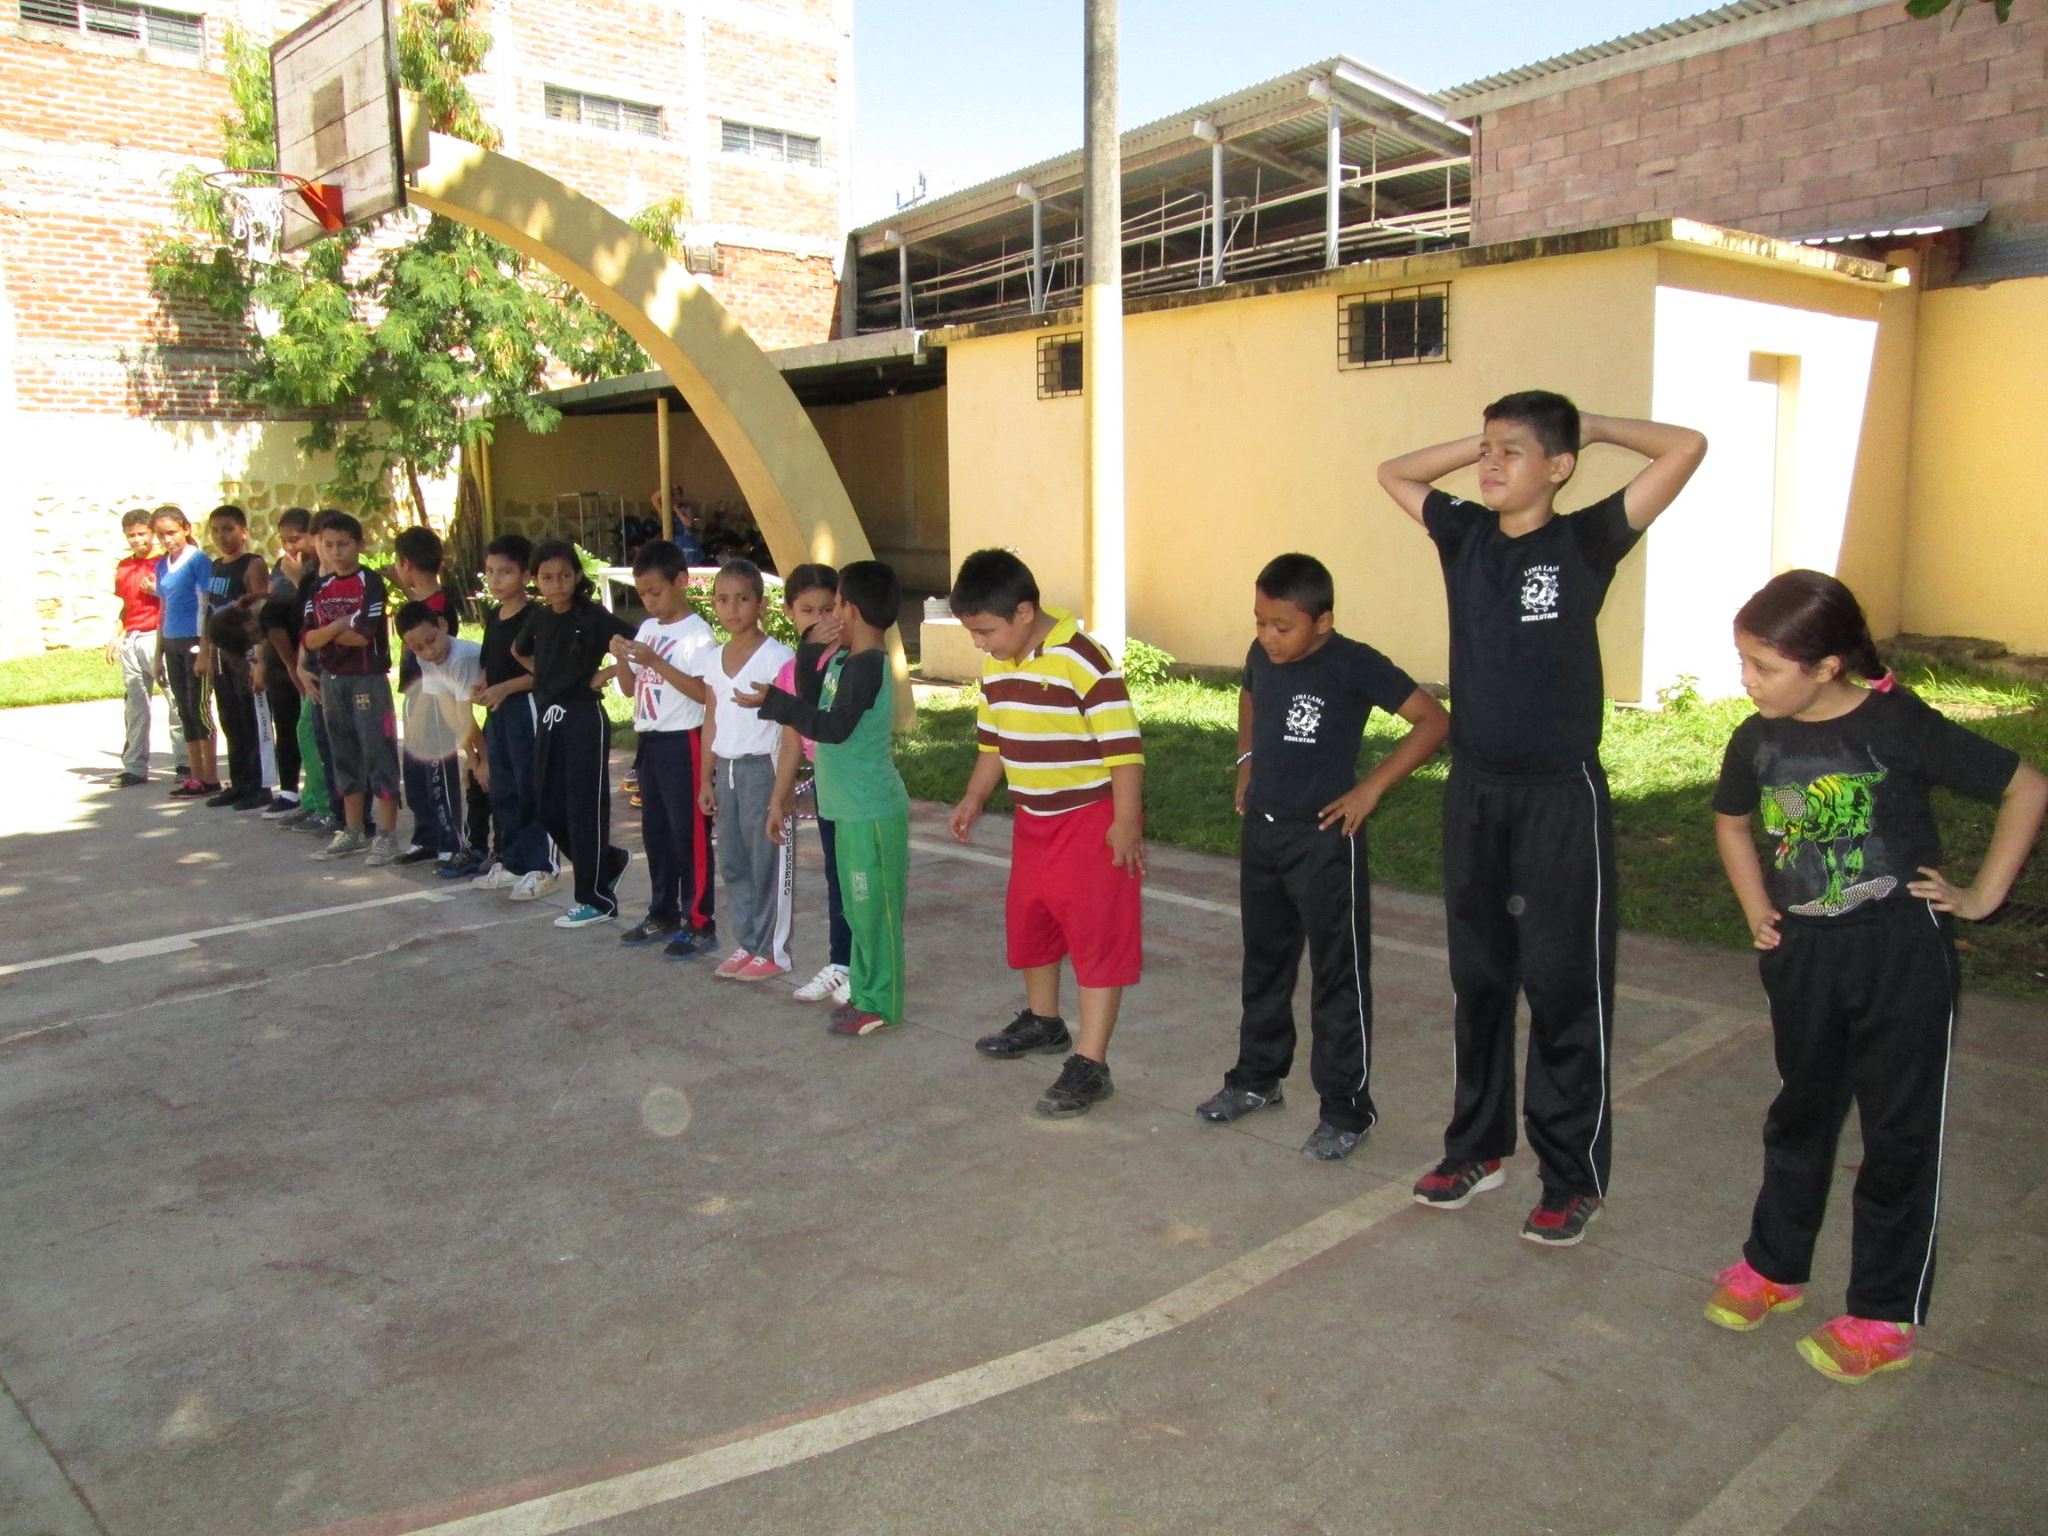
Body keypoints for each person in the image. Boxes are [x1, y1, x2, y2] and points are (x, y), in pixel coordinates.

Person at [1377, 392, 1707, 1245]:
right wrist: (1483, 439)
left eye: (1512, 454)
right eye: (1487, 452)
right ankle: (1478, 1148)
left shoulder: (1586, 538)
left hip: (1561, 797)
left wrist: (1590, 428)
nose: (1489, 466)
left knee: (1564, 987)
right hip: (1477, 794)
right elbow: (1394, 471)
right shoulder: (1463, 534)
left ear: (1559, 469)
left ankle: (1572, 1175)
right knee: (1480, 980)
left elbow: (1686, 447)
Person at [1707, 570, 2045, 1383]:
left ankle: (1885, 1312)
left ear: (1825, 667)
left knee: (1897, 1132)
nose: (1747, 680)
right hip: (1804, 958)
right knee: (1800, 1113)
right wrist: (1758, 908)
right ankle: (1776, 1266)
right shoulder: (1758, 737)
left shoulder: (1897, 725)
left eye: (1763, 666)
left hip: (1899, 955)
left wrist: (1980, 897)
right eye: (1744, 661)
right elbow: (1731, 821)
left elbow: (2025, 787)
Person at [1195, 553, 1450, 1161]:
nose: (1267, 638)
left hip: (1324, 841)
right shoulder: (1262, 655)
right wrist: (1246, 762)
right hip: (1264, 833)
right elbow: (1250, 695)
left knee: (1337, 977)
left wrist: (1370, 789)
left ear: (1323, 621)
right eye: (1259, 622)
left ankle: (1345, 1109)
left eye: (1282, 626)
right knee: (1265, 964)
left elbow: (1432, 721)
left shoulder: (1354, 664)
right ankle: (1256, 1079)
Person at [946, 548, 1145, 1118]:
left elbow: (1124, 750)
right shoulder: (997, 665)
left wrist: (1125, 824)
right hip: (1033, 820)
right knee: (1032, 921)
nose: (979, 644)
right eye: (973, 633)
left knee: (1096, 936)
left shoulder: (1083, 660)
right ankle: (1044, 1022)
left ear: (1025, 612)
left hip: (1090, 820)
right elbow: (995, 745)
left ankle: (1091, 1062)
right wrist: (974, 796)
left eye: (985, 631)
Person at [745, 560, 911, 1035]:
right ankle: (864, 991)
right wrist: (806, 653)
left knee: (874, 911)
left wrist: (776, 704)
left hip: (870, 812)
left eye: (835, 604)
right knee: (857, 910)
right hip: (844, 808)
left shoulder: (869, 667)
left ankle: (881, 1002)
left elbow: (832, 728)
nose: (828, 613)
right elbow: (810, 698)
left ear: (851, 611)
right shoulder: (841, 660)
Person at [512, 540, 636, 929]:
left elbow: (632, 643)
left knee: (585, 809)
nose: (557, 584)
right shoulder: (539, 617)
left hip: (585, 716)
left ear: (577, 576)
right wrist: (547, 680)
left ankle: (596, 899)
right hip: (549, 716)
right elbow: (519, 651)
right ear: (535, 581)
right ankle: (609, 861)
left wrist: (602, 676)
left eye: (564, 575)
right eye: (547, 577)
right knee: (548, 805)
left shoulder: (593, 616)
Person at [609, 540, 719, 953]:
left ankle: (700, 919)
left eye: (657, 591)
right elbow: (627, 687)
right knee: (655, 832)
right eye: (643, 594)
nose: (650, 601)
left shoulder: (698, 636)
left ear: (682, 582)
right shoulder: (648, 629)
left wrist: (655, 662)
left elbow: (702, 694)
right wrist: (622, 656)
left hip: (683, 741)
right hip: (650, 741)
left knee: (688, 833)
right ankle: (662, 911)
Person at [695, 558, 795, 977]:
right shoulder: (714, 658)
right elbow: (712, 719)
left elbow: (790, 725)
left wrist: (781, 792)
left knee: (765, 860)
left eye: (742, 599)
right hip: (729, 772)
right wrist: (706, 777)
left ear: (762, 603)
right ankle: (747, 942)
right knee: (734, 861)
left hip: (763, 771)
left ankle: (773, 950)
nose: (732, 608)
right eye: (722, 599)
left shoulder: (778, 656)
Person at [763, 565, 852, 1003]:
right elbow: (792, 741)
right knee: (838, 876)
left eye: (828, 608)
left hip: (854, 782)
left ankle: (866, 965)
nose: (820, 619)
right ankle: (842, 961)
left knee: (861, 878)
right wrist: (778, 799)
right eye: (808, 610)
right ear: (789, 613)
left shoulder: (852, 661)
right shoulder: (791, 670)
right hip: (826, 783)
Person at [301, 511, 403, 864]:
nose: (335, 552)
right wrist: (337, 626)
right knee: (342, 753)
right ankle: (353, 829)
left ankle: (387, 834)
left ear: (359, 544)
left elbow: (364, 634)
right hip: (332, 679)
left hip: (366, 679)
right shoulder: (319, 587)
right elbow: (310, 638)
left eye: (343, 544)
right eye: (328, 545)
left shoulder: (369, 582)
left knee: (378, 752)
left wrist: (332, 630)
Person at [470, 535, 558, 902]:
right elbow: (490, 662)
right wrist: (483, 683)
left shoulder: (537, 617)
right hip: (499, 712)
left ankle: (542, 866)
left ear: (525, 575)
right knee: (503, 786)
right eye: (490, 572)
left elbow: (545, 672)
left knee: (531, 785)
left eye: (505, 572)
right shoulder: (494, 615)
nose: (495, 580)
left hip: (528, 709)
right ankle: (511, 859)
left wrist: (506, 688)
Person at [395, 601, 486, 874]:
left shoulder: (460, 658)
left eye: (431, 641)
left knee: (492, 778)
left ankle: (500, 854)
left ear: (443, 626)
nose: (428, 651)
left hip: (506, 704)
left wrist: (482, 759)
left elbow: (466, 716)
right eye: (418, 648)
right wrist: (472, 758)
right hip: (478, 710)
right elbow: (448, 711)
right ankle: (478, 849)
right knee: (475, 779)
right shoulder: (425, 658)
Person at [199, 503, 271, 810]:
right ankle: (240, 782)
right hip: (221, 655)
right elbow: (208, 612)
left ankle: (260, 784)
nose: (221, 536)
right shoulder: (216, 566)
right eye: (215, 530)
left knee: (250, 720)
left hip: (244, 655)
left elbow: (260, 609)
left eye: (228, 529)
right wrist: (205, 650)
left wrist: (259, 659)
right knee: (230, 719)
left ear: (244, 531)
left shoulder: (252, 564)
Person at [106, 507, 176, 786]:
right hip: (133, 635)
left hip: (158, 634)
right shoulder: (124, 566)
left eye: (142, 534)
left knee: (175, 701)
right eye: (131, 536)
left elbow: (176, 599)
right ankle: (134, 766)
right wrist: (116, 635)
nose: (137, 540)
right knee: (135, 704)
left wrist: (157, 590)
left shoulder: (163, 562)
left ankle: (184, 762)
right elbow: (127, 605)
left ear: (152, 534)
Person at [151, 505, 218, 798]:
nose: (167, 540)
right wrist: (158, 653)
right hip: (172, 642)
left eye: (172, 532)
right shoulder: (162, 565)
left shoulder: (198, 561)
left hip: (194, 640)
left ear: (186, 529)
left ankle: (211, 776)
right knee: (184, 710)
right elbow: (163, 608)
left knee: (199, 707)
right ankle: (195, 774)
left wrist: (205, 648)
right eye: (161, 535)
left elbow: (206, 604)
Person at [255, 507, 314, 819]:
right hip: (281, 657)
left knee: (314, 731)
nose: (291, 547)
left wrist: (298, 577)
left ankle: (320, 796)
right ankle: (289, 790)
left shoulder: (318, 567)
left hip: (309, 656)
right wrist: (262, 661)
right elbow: (270, 613)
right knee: (286, 724)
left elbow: (312, 607)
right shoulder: (280, 566)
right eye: (284, 540)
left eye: (296, 539)